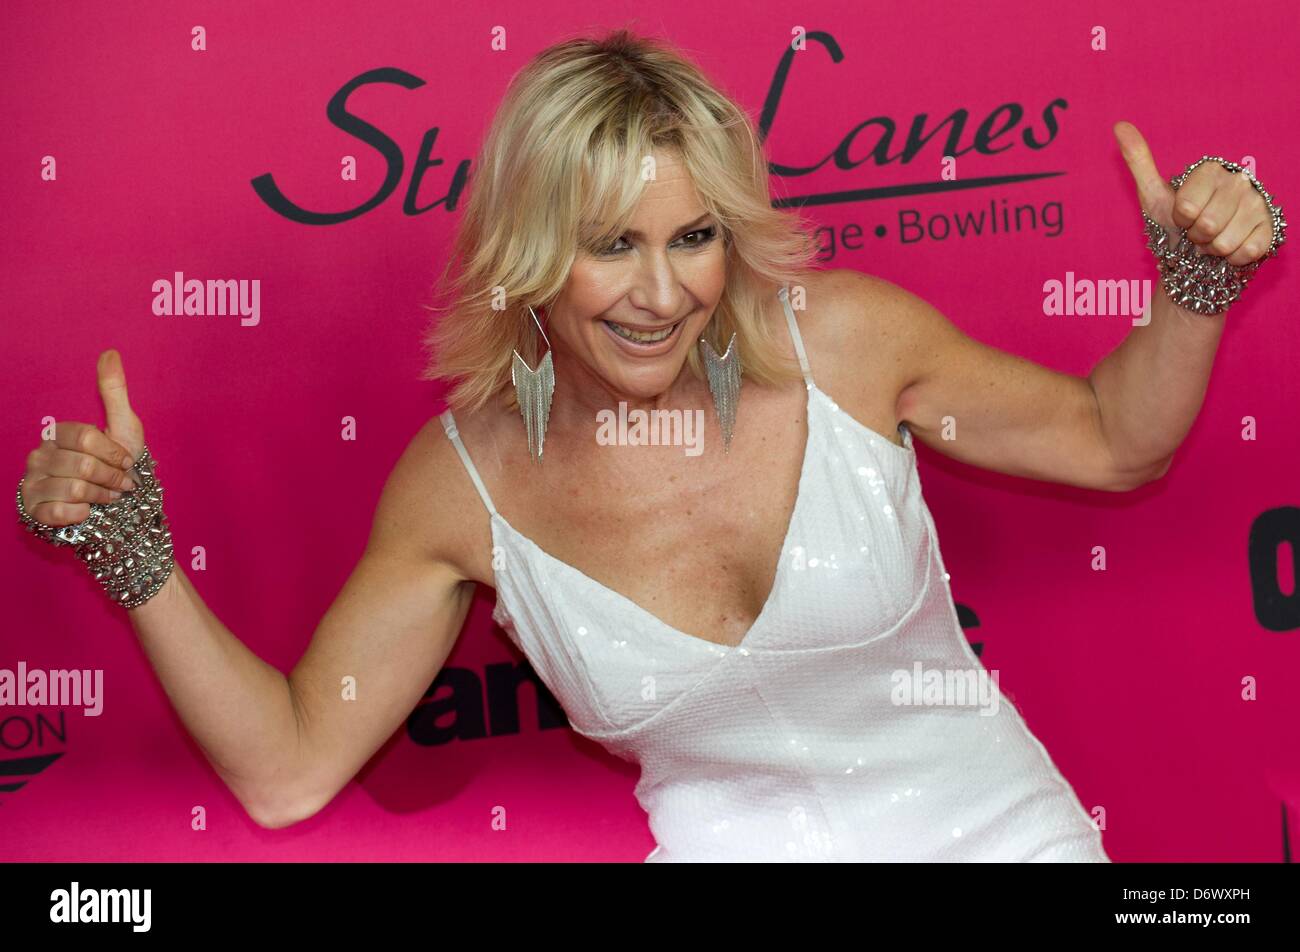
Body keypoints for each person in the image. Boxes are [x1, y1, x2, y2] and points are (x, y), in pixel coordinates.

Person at [16, 29, 1285, 861]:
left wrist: (1190, 287)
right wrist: (137, 556)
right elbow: (289, 769)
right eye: (610, 243)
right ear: (527, 255)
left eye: (692, 237)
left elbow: (1118, 444)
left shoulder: (843, 343)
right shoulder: (463, 485)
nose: (662, 292)